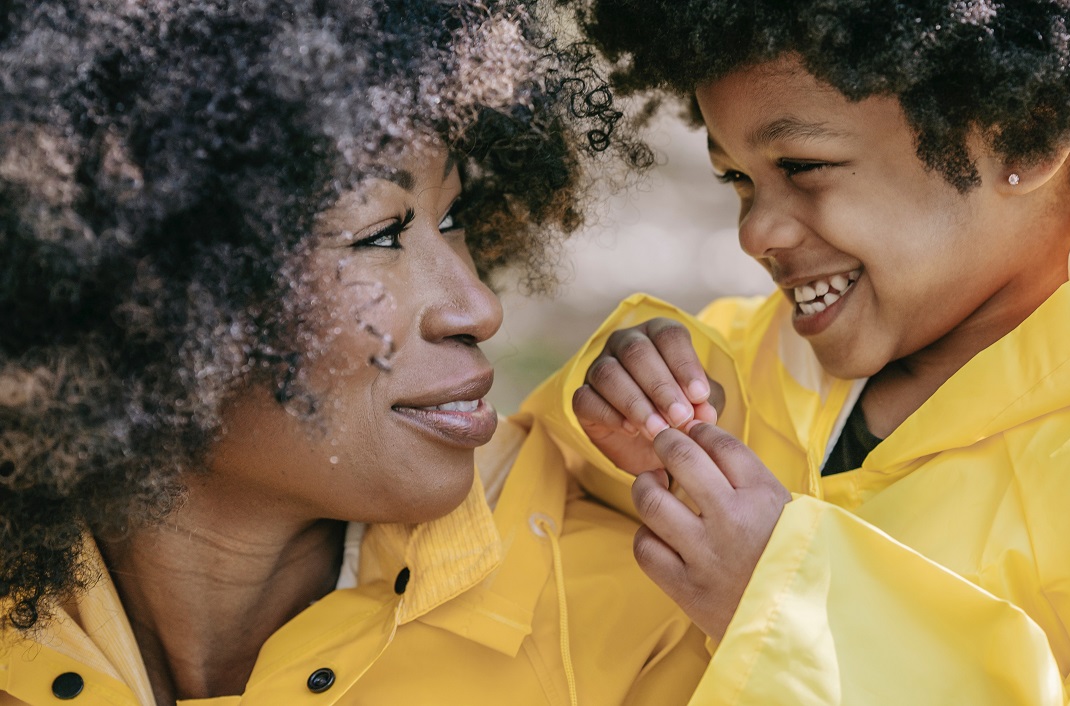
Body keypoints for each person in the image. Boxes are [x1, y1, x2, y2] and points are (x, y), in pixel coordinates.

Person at [0, 2, 707, 704]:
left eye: (453, 218)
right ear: (145, 299)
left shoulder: (629, 623)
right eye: (378, 235)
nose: (478, 307)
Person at [520, 1, 1070, 703]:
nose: (755, 233)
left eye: (804, 166)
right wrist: (612, 423)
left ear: (1024, 140)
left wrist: (791, 607)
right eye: (738, 179)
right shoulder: (741, 363)